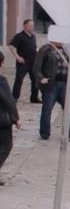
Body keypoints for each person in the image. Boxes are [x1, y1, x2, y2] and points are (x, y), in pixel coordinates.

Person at [33, 41, 70, 141]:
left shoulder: (65, 49)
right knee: (47, 109)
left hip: (65, 84)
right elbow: (36, 67)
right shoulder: (46, 49)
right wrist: (41, 78)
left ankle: (69, 132)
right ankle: (45, 132)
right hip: (51, 84)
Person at [0, 51, 21, 185]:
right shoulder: (1, 81)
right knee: (6, 146)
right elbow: (8, 100)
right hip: (1, 121)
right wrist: (16, 118)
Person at [9, 20, 40, 103]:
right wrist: (17, 57)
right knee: (19, 80)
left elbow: (34, 47)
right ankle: (14, 97)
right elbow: (11, 47)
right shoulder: (19, 36)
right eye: (30, 25)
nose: (32, 27)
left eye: (33, 26)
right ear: (25, 26)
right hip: (23, 63)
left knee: (35, 80)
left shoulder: (33, 36)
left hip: (33, 62)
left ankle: (34, 98)